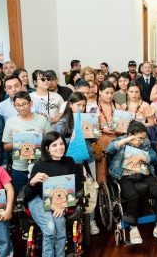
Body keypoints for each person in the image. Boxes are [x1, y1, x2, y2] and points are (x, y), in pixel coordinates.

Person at [107, 121, 157, 244]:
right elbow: (109, 149)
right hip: (125, 175)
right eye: (138, 138)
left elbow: (155, 158)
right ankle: (133, 228)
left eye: (143, 138)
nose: (141, 141)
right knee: (132, 196)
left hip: (143, 173)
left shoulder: (145, 143)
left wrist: (144, 157)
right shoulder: (121, 141)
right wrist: (127, 140)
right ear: (130, 134)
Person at [24, 131, 83, 256]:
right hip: (38, 199)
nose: (60, 147)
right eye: (54, 145)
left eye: (61, 144)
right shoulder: (39, 165)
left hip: (59, 201)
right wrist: (32, 182)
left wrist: (64, 205)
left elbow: (76, 186)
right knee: (50, 228)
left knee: (60, 227)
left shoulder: (69, 161)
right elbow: (28, 195)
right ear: (47, 148)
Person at [54, 92, 100, 235]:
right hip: (70, 162)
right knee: (74, 189)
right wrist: (73, 138)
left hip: (88, 159)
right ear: (70, 105)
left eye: (84, 105)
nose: (81, 108)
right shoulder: (62, 123)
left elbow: (92, 141)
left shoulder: (87, 119)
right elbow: (57, 144)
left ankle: (91, 219)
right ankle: (75, 220)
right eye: (78, 105)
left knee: (91, 189)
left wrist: (92, 132)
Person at [2, 91, 51, 195]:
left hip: (40, 165)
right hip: (19, 168)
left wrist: (41, 139)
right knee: (21, 197)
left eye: (24, 104)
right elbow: (6, 146)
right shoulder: (10, 122)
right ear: (14, 106)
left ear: (31, 103)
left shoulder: (42, 120)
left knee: (41, 195)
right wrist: (16, 141)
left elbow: (51, 142)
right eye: (18, 105)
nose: (21, 107)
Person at [96, 81, 119, 183]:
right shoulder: (93, 107)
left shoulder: (116, 106)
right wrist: (102, 129)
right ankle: (103, 187)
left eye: (112, 93)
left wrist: (119, 128)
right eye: (107, 93)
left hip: (116, 137)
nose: (110, 96)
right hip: (101, 138)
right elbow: (90, 128)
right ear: (100, 91)